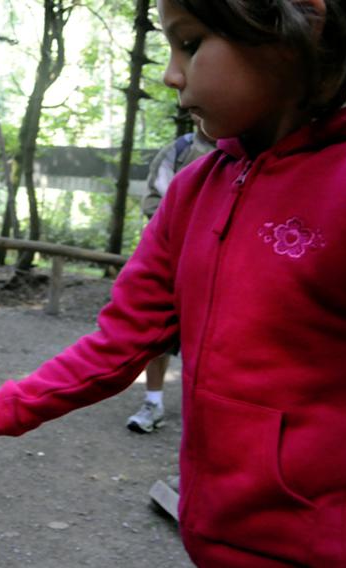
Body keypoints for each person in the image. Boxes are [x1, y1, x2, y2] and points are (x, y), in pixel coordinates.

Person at [0, 1, 346, 565]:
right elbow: (118, 344)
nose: (171, 73)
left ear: (292, 29)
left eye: (190, 42)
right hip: (212, 535)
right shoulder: (191, 192)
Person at [126, 117, 215, 433]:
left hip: (220, 272)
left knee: (209, 341)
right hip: (174, 263)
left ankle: (206, 414)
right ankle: (153, 402)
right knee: (158, 336)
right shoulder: (180, 151)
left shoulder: (252, 152)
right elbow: (155, 203)